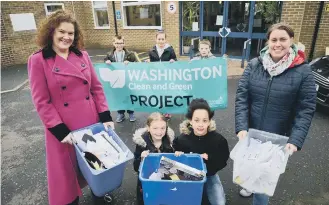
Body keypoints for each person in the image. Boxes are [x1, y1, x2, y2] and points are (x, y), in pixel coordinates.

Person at [27, 10, 114, 205]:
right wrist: (59, 129)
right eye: (62, 32)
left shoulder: (82, 55)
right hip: (63, 128)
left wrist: (106, 116)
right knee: (66, 175)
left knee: (96, 162)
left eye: (71, 33)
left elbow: (96, 88)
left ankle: (98, 191)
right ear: (51, 32)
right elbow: (41, 101)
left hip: (90, 121)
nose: (66, 37)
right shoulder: (38, 60)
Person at [235, 23, 317, 204]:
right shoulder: (254, 65)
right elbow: (242, 97)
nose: (277, 44)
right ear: (268, 42)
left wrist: (296, 139)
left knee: (263, 186)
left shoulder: (303, 71)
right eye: (274, 39)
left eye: (283, 39)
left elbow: (306, 108)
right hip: (251, 133)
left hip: (277, 137)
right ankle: (248, 183)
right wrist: (241, 126)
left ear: (291, 41)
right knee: (248, 168)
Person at [174, 98, 230, 205]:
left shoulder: (218, 140)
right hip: (188, 175)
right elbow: (175, 158)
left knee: (220, 203)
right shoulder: (182, 139)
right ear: (190, 121)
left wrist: (210, 157)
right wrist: (178, 155)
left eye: (204, 120)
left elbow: (223, 159)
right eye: (196, 120)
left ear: (209, 121)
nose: (200, 124)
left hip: (210, 175)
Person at [132, 112, 175, 205]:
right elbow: (136, 167)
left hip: (164, 180)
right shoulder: (142, 144)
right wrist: (141, 158)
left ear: (166, 128)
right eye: (155, 128)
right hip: (147, 181)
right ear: (148, 128)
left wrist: (178, 154)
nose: (159, 132)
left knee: (163, 198)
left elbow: (174, 163)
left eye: (162, 128)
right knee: (147, 199)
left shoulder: (170, 141)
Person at [104, 35, 138, 123]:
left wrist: (130, 63)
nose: (119, 45)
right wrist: (106, 62)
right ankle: (121, 113)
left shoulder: (130, 54)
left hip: (127, 79)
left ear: (124, 43)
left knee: (129, 96)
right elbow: (104, 66)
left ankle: (131, 113)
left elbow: (137, 65)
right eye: (117, 43)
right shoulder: (109, 55)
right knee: (118, 97)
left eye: (121, 43)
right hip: (116, 80)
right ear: (113, 43)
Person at [147, 30, 177, 119]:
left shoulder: (170, 49)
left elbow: (175, 60)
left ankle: (167, 111)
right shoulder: (151, 51)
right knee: (158, 94)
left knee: (167, 94)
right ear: (156, 39)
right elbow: (151, 64)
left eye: (162, 39)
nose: (161, 41)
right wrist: (149, 63)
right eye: (159, 39)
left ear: (165, 40)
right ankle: (159, 111)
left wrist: (173, 61)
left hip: (167, 76)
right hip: (156, 77)